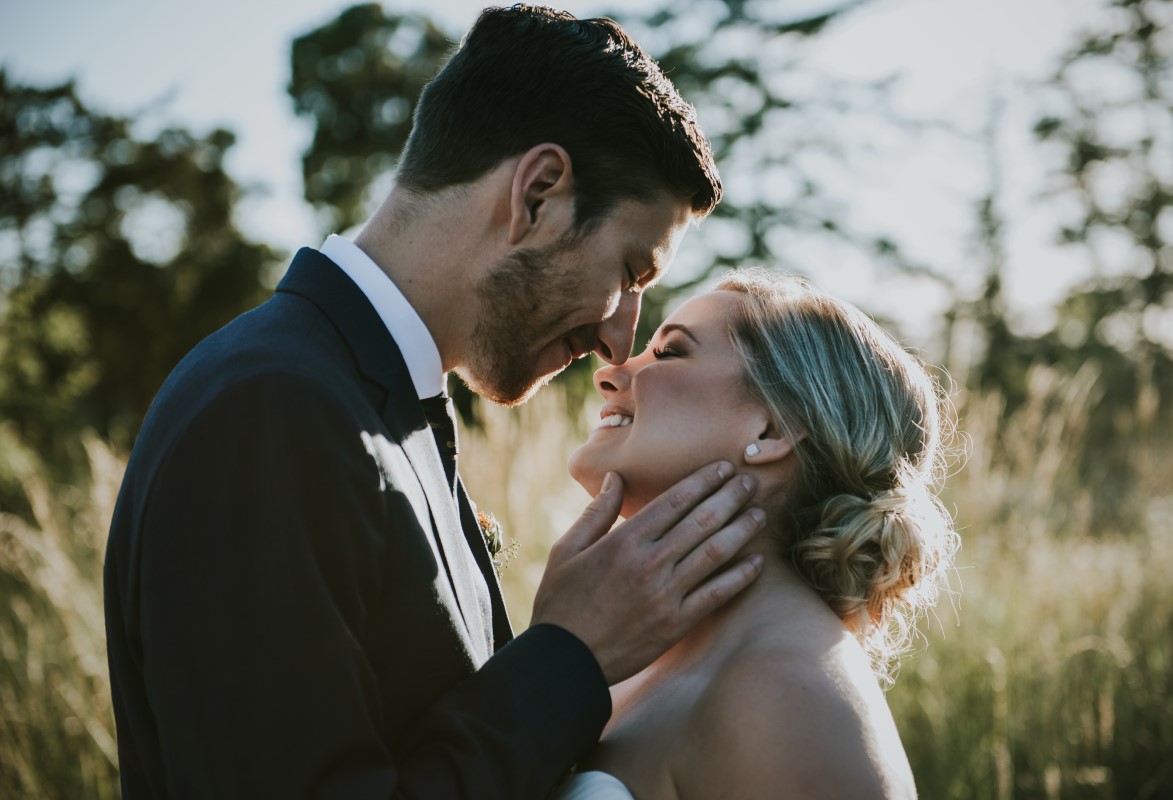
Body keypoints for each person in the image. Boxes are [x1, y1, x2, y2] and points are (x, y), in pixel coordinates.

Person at [104, 6, 767, 799]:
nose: (620, 339)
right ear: (539, 194)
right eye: (628, 273)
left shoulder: (376, 403)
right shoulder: (270, 411)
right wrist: (569, 655)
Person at [553, 269, 961, 799]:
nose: (610, 373)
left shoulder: (788, 697)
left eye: (670, 352)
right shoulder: (638, 655)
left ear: (772, 430)